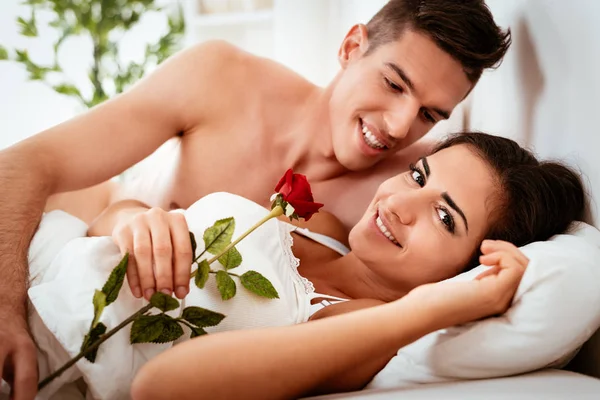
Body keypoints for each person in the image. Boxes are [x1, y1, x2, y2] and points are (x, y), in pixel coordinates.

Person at [0, 2, 512, 398]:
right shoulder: (223, 80)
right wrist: (6, 312)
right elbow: (25, 164)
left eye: (429, 115)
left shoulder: (402, 197)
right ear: (352, 46)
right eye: (394, 84)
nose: (399, 127)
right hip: (86, 244)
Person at [26, 131, 582, 399]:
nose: (399, 203)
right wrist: (135, 220)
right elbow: (109, 217)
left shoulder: (365, 333)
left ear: (465, 269)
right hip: (37, 259)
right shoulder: (321, 227)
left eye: (444, 218)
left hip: (41, 349)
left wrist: (434, 309)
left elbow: (163, 387)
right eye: (419, 175)